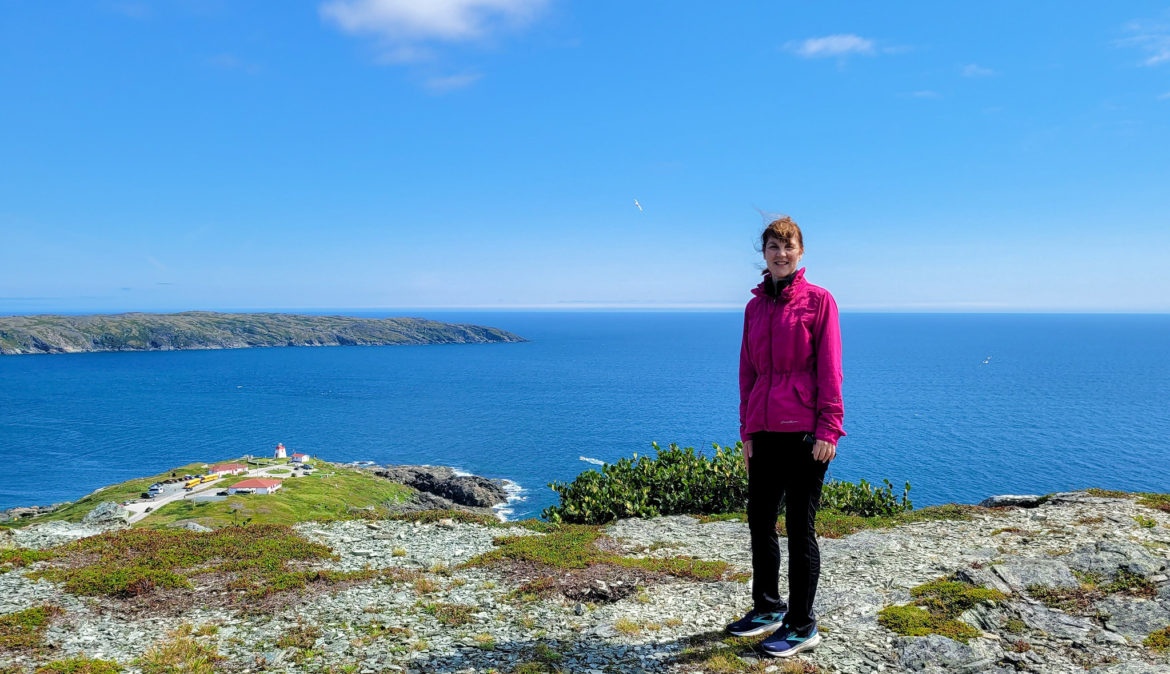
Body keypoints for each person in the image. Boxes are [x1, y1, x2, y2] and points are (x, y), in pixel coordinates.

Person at [724, 215, 845, 658]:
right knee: (759, 521)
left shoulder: (819, 302)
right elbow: (748, 373)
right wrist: (747, 430)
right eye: (772, 246)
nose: (780, 253)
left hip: (806, 435)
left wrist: (829, 427)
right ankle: (767, 608)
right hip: (765, 431)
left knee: (799, 527)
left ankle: (801, 624)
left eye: (787, 246)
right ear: (764, 254)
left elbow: (830, 369)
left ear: (800, 252)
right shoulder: (754, 307)